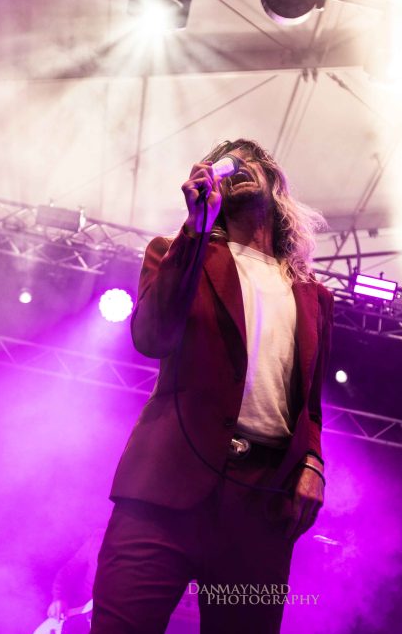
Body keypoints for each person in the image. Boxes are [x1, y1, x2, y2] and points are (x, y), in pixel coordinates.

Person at [90, 139, 333, 634]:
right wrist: (196, 230)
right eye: (227, 161)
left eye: (248, 160)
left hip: (259, 500)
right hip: (165, 486)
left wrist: (313, 462)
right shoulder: (176, 253)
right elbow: (151, 337)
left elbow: (309, 403)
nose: (236, 166)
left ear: (273, 181)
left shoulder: (312, 294)